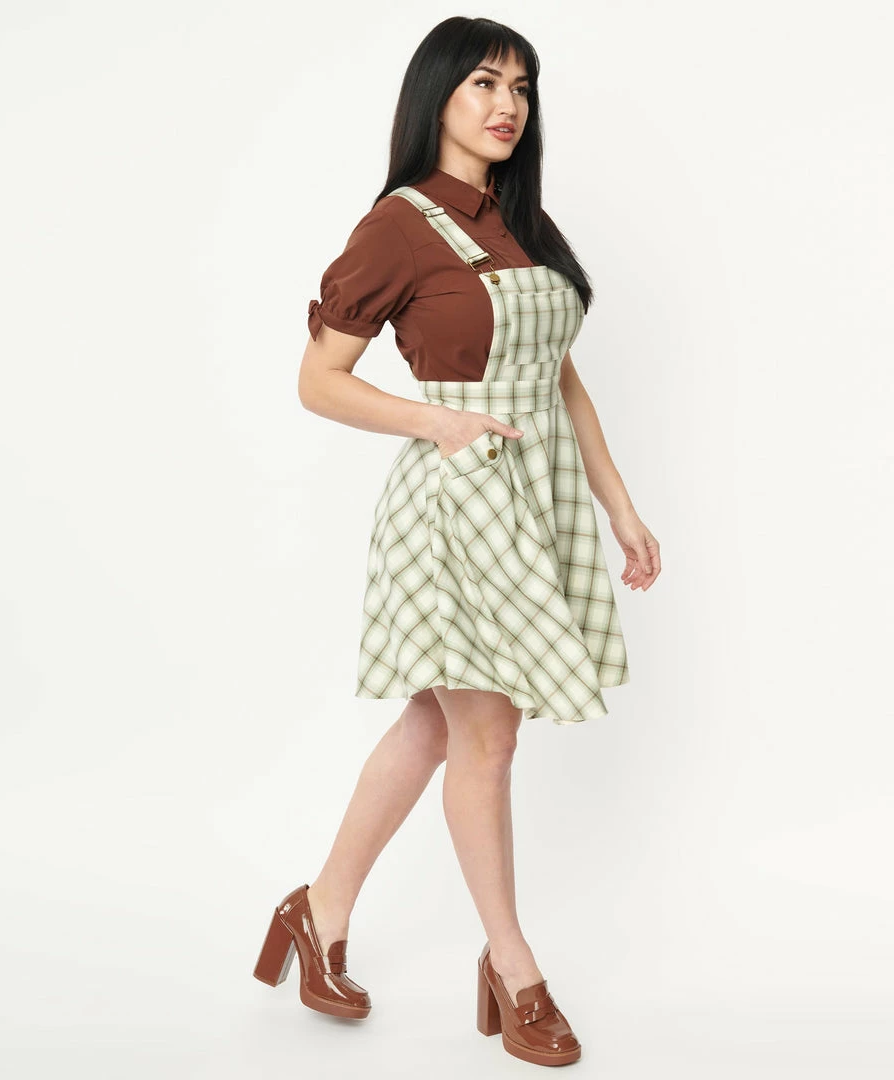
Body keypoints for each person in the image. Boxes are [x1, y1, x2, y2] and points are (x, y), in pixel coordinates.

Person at [253, 16, 660, 1067]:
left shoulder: (524, 224)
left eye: (521, 87)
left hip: (538, 497)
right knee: (488, 737)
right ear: (435, 94)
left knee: (434, 726)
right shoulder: (398, 226)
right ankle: (514, 969)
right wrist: (439, 421)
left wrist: (617, 504)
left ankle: (318, 911)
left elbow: (562, 380)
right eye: (484, 82)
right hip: (460, 503)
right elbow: (318, 380)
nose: (507, 104)